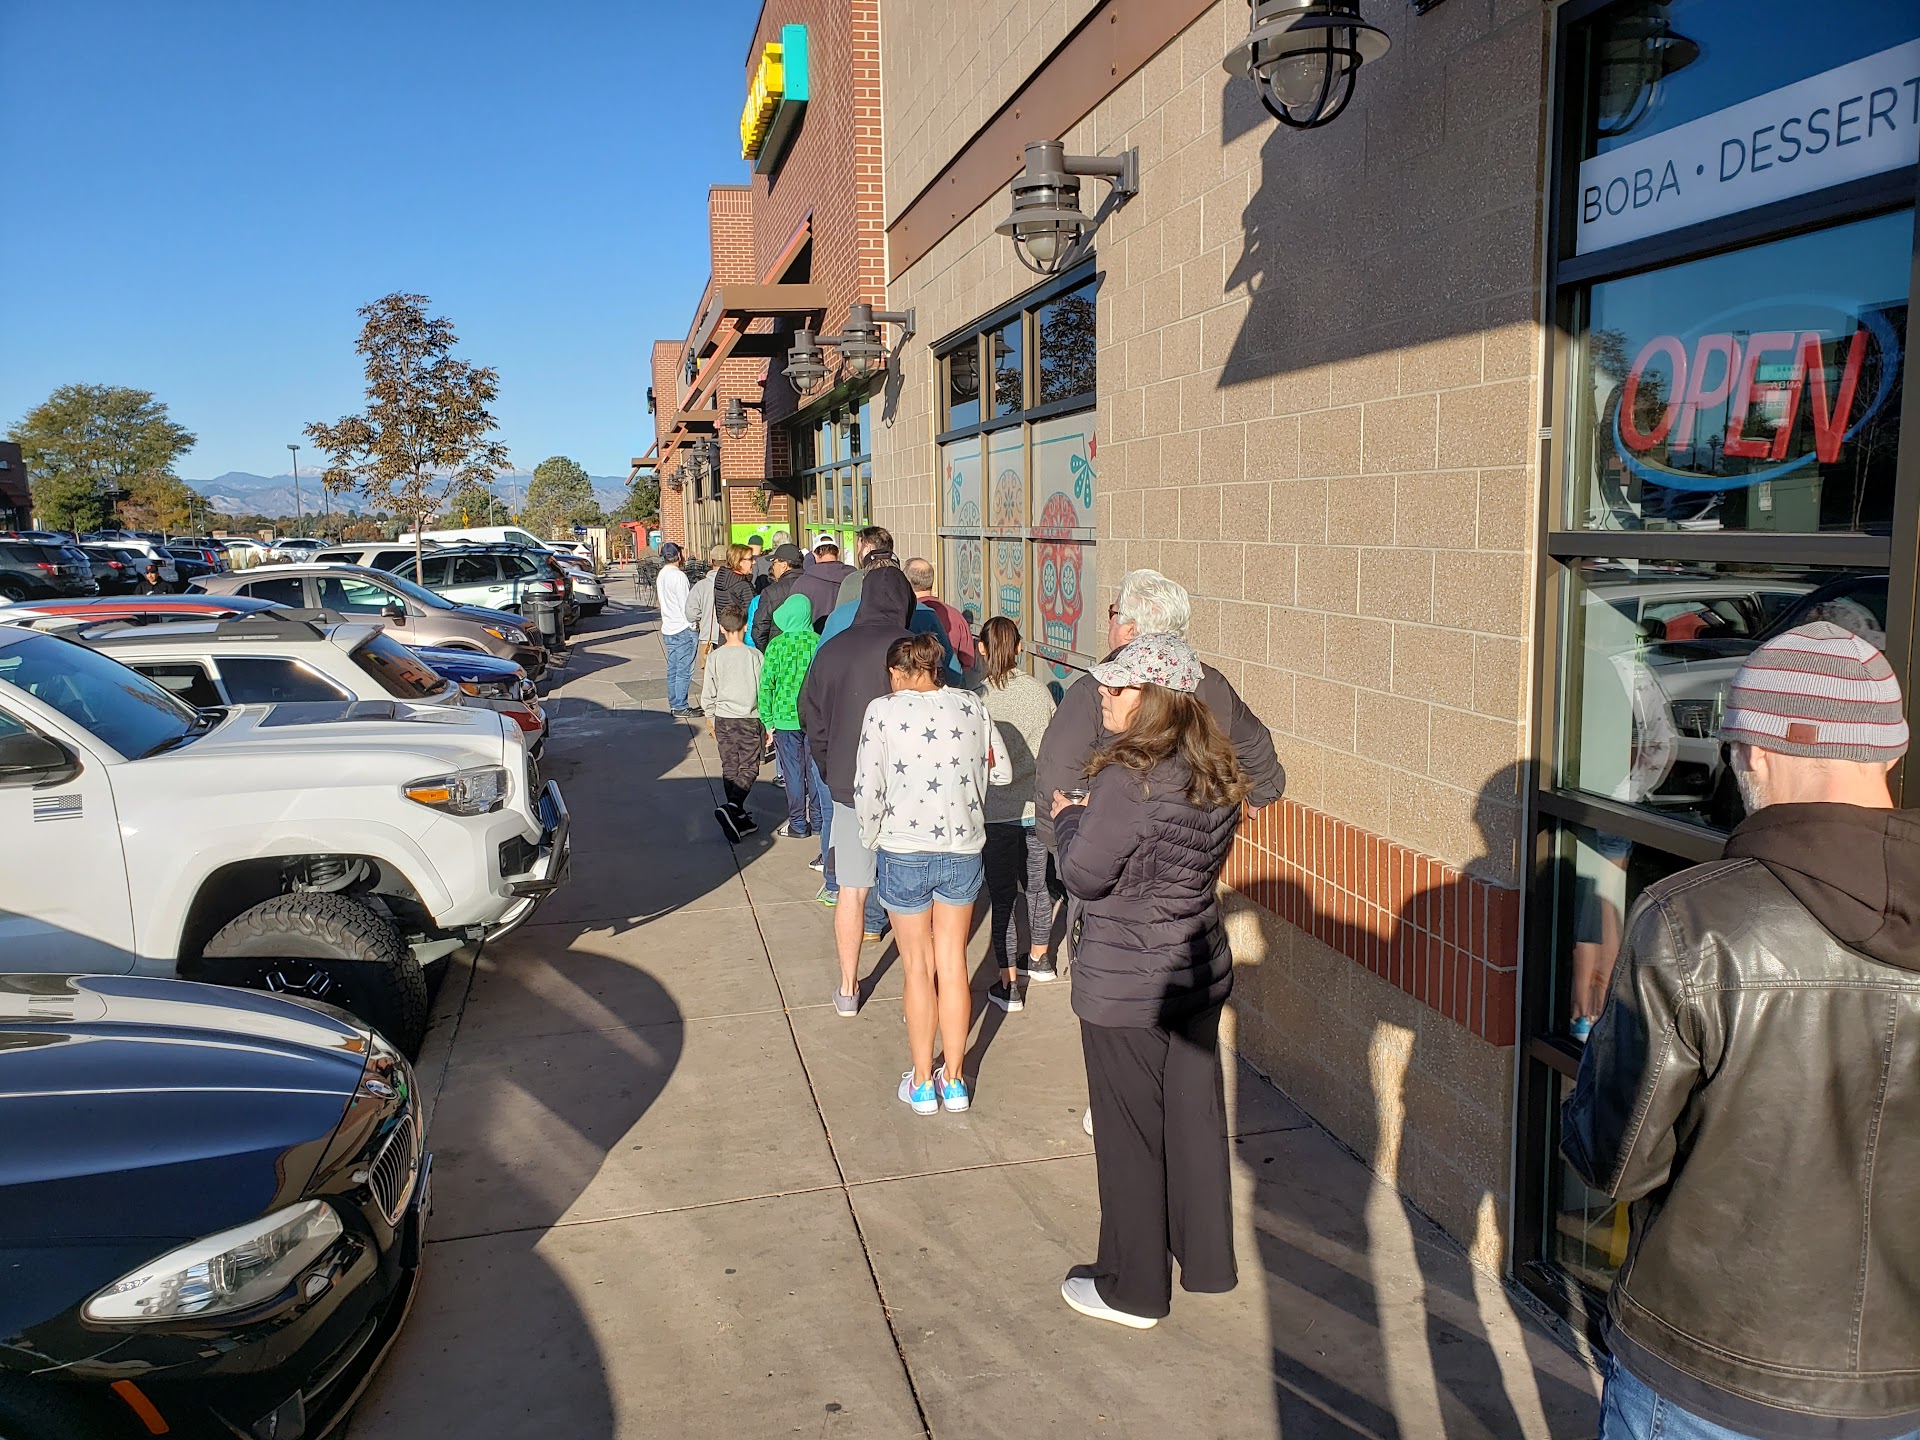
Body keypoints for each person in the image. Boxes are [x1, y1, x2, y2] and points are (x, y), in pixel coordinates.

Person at [1562, 622, 1920, 1440]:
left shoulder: (1693, 922)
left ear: (1756, 751)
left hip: (1704, 1377)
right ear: (1888, 753)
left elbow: (1613, 1159)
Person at [1051, 632, 1250, 1330]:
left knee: (1128, 1134)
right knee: (1193, 1120)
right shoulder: (1215, 768)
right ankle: (1206, 1261)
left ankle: (1133, 1289)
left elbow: (1083, 874)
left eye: (1119, 685)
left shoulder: (1126, 778)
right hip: (1196, 969)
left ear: (1156, 697)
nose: (1103, 694)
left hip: (1128, 982)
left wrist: (1069, 820)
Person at [1035, 569, 1284, 855]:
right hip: (1192, 849)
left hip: (1117, 852)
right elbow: (1253, 740)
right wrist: (1263, 791)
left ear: (1130, 630)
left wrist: (1062, 846)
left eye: (1113, 613)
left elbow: (1059, 772)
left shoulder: (1096, 689)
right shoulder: (1209, 681)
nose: (1109, 621)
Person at [854, 632, 995, 1115]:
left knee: (917, 967)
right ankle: (953, 1081)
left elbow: (867, 786)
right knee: (953, 962)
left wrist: (871, 835)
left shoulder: (883, 712)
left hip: (904, 848)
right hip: (962, 846)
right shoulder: (972, 705)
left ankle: (920, 1081)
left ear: (897, 672)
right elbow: (998, 770)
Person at [799, 567, 917, 1014]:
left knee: (851, 888)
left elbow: (811, 716)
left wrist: (830, 768)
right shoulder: (912, 650)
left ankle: (848, 988)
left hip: (849, 787)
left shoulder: (831, 649)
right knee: (908, 893)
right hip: (908, 792)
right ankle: (918, 986)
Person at [975, 618, 1058, 1012]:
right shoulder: (1039, 693)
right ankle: (1040, 958)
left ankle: (1008, 984)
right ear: (1021, 647)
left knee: (1003, 895)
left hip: (995, 811)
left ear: (981, 649)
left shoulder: (977, 698)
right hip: (1034, 807)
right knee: (1037, 887)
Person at [758, 592, 822, 842]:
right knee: (814, 770)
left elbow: (766, 686)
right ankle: (818, 820)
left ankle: (798, 823)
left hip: (784, 717)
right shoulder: (818, 641)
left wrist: (767, 721)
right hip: (814, 715)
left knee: (793, 772)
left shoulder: (777, 645)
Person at [701, 607, 764, 843]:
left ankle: (737, 817)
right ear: (745, 626)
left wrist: (711, 716)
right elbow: (762, 690)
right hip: (748, 718)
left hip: (723, 718)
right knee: (749, 767)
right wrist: (766, 722)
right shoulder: (754, 655)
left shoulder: (715, 657)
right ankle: (733, 807)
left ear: (721, 629)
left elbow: (708, 693)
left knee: (730, 767)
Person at [905, 556, 977, 673]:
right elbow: (968, 661)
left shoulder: (906, 614)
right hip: (951, 681)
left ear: (906, 582)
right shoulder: (956, 616)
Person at [655, 543, 699, 718]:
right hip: (682, 628)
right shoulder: (679, 576)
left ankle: (675, 703)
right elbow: (685, 605)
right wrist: (693, 625)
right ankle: (680, 705)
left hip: (669, 627)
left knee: (673, 669)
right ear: (678, 556)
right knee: (684, 670)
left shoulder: (662, 574)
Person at [751, 543, 808, 650]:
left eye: (774, 562)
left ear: (784, 565)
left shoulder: (771, 592)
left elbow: (759, 628)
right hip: (809, 650)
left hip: (779, 652)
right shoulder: (815, 586)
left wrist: (769, 652)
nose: (772, 567)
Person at [794, 539, 854, 627]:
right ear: (838, 553)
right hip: (850, 633)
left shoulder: (802, 583)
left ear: (814, 555)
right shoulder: (855, 577)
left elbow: (794, 617)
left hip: (815, 634)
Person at [836, 525, 895, 611]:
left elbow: (840, 615)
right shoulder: (901, 579)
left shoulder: (854, 580)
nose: (858, 552)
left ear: (867, 549)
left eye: (858, 547)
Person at [714, 542, 756, 619]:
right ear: (739, 561)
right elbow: (753, 615)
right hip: (741, 626)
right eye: (750, 559)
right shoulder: (743, 585)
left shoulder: (721, 579)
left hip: (724, 625)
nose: (754, 562)